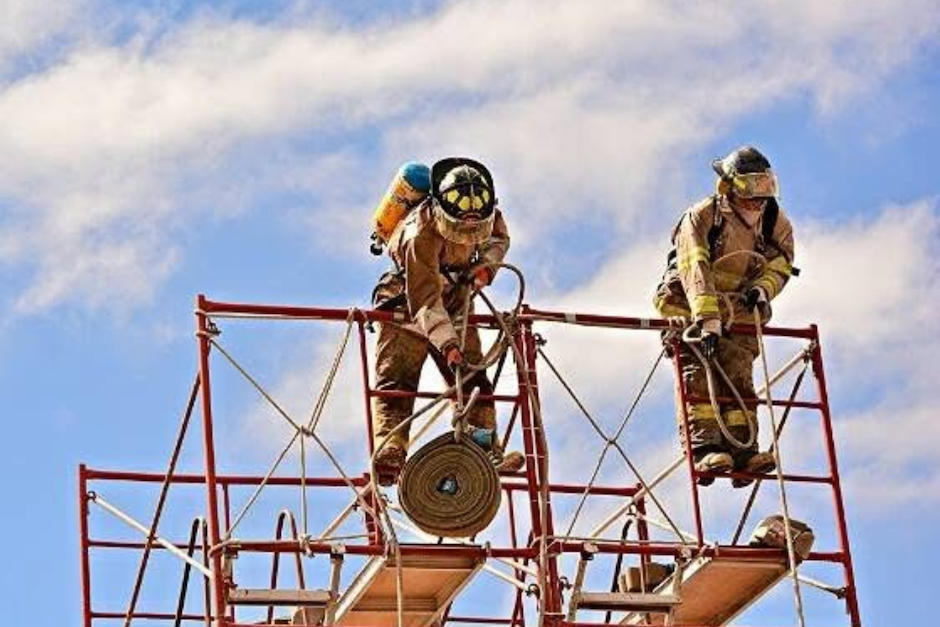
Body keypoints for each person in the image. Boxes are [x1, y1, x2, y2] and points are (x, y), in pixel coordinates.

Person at [370, 157, 525, 486]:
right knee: (397, 382)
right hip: (405, 302)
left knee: (474, 381)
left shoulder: (485, 210)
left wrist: (485, 267)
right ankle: (390, 450)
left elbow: (498, 239)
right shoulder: (419, 234)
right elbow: (425, 300)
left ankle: (484, 450)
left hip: (455, 298)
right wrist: (448, 343)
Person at [654, 146, 796, 487]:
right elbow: (695, 269)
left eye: (764, 186)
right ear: (728, 187)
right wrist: (708, 320)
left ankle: (744, 452)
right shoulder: (702, 217)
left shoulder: (774, 221)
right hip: (688, 306)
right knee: (698, 374)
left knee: (739, 374)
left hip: (739, 309)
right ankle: (705, 450)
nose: (757, 199)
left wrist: (762, 289)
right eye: (750, 188)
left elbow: (782, 262)